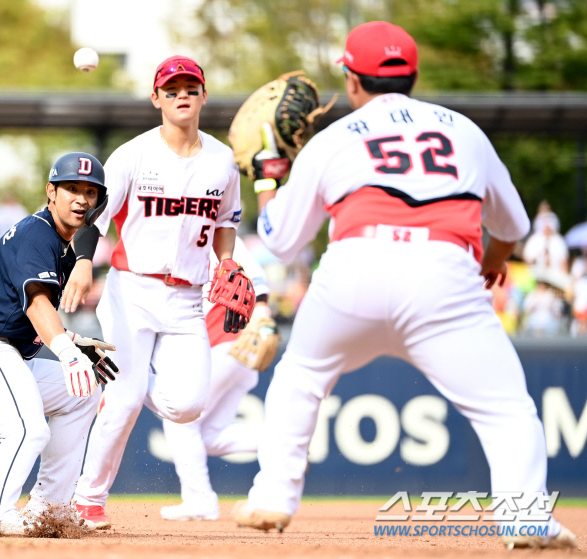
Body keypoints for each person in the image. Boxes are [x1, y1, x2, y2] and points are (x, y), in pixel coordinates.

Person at [232, 21, 578, 550]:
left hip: (356, 267)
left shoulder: (333, 139)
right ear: (412, 75)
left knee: (300, 378)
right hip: (445, 274)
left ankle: (274, 496)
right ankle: (526, 519)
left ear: (351, 79)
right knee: (507, 410)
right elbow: (514, 227)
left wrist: (268, 175)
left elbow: (280, 241)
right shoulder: (465, 131)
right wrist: (492, 262)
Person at [63, 55, 243, 529]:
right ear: (156, 99)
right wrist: (83, 264)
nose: (181, 95)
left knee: (187, 407)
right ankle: (88, 500)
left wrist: (228, 263)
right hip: (132, 290)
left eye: (190, 88)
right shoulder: (132, 155)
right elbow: (93, 220)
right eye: (171, 89)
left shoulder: (222, 161)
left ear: (203, 95)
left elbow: (226, 222)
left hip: (189, 298)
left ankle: (130, 382)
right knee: (123, 399)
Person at [0, 153, 115, 535]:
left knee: (80, 394)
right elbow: (35, 304)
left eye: (90, 192)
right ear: (51, 191)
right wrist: (65, 350)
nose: (81, 198)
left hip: (0, 351)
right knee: (28, 429)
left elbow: (23, 311)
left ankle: (48, 507)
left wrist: (71, 341)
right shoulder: (37, 233)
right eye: (71, 189)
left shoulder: (59, 240)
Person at [160, 236, 271, 521]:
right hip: (238, 350)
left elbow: (257, 279)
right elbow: (257, 278)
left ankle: (199, 500)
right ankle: (286, 439)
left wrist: (262, 309)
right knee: (208, 436)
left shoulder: (211, 236)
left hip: (222, 340)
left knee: (179, 417)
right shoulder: (209, 237)